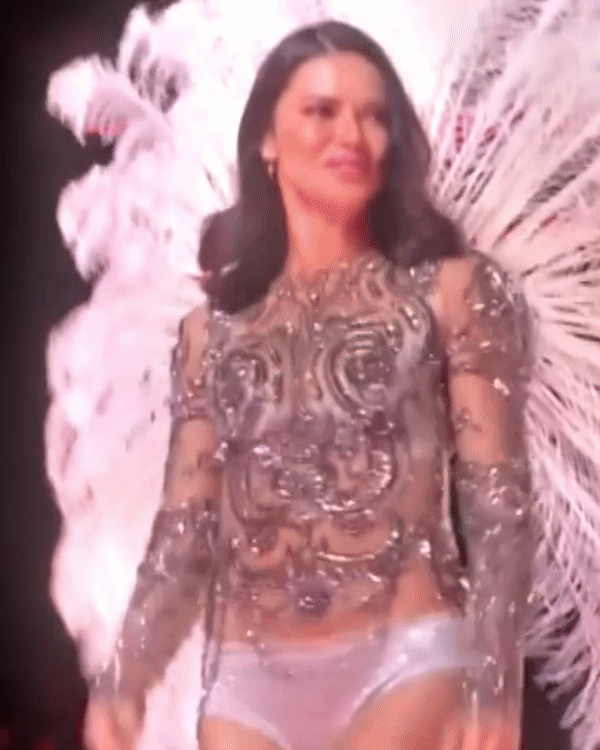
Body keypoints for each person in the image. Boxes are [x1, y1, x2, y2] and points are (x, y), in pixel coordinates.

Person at [79, 21, 532, 750]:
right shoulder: (209, 335)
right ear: (266, 139)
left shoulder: (453, 294)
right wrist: (126, 675)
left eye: (374, 115)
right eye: (322, 110)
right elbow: (186, 528)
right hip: (246, 687)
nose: (351, 133)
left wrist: (496, 678)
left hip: (409, 660)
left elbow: (498, 502)